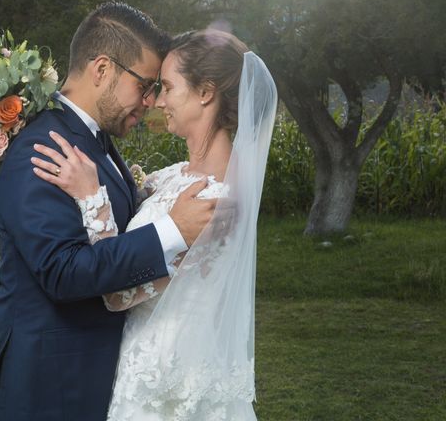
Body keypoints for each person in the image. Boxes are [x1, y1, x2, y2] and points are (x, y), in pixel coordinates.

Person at [0, 2, 218, 421]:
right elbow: (63, 273)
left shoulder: (93, 141)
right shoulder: (43, 148)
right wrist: (172, 231)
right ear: (102, 69)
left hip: (85, 380)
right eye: (144, 85)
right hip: (46, 389)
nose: (150, 101)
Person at [32, 29, 278, 420]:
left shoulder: (214, 200)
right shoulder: (175, 176)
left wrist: (90, 195)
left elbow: (118, 296)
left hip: (167, 378)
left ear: (205, 92)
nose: (157, 101)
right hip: (139, 361)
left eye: (166, 87)